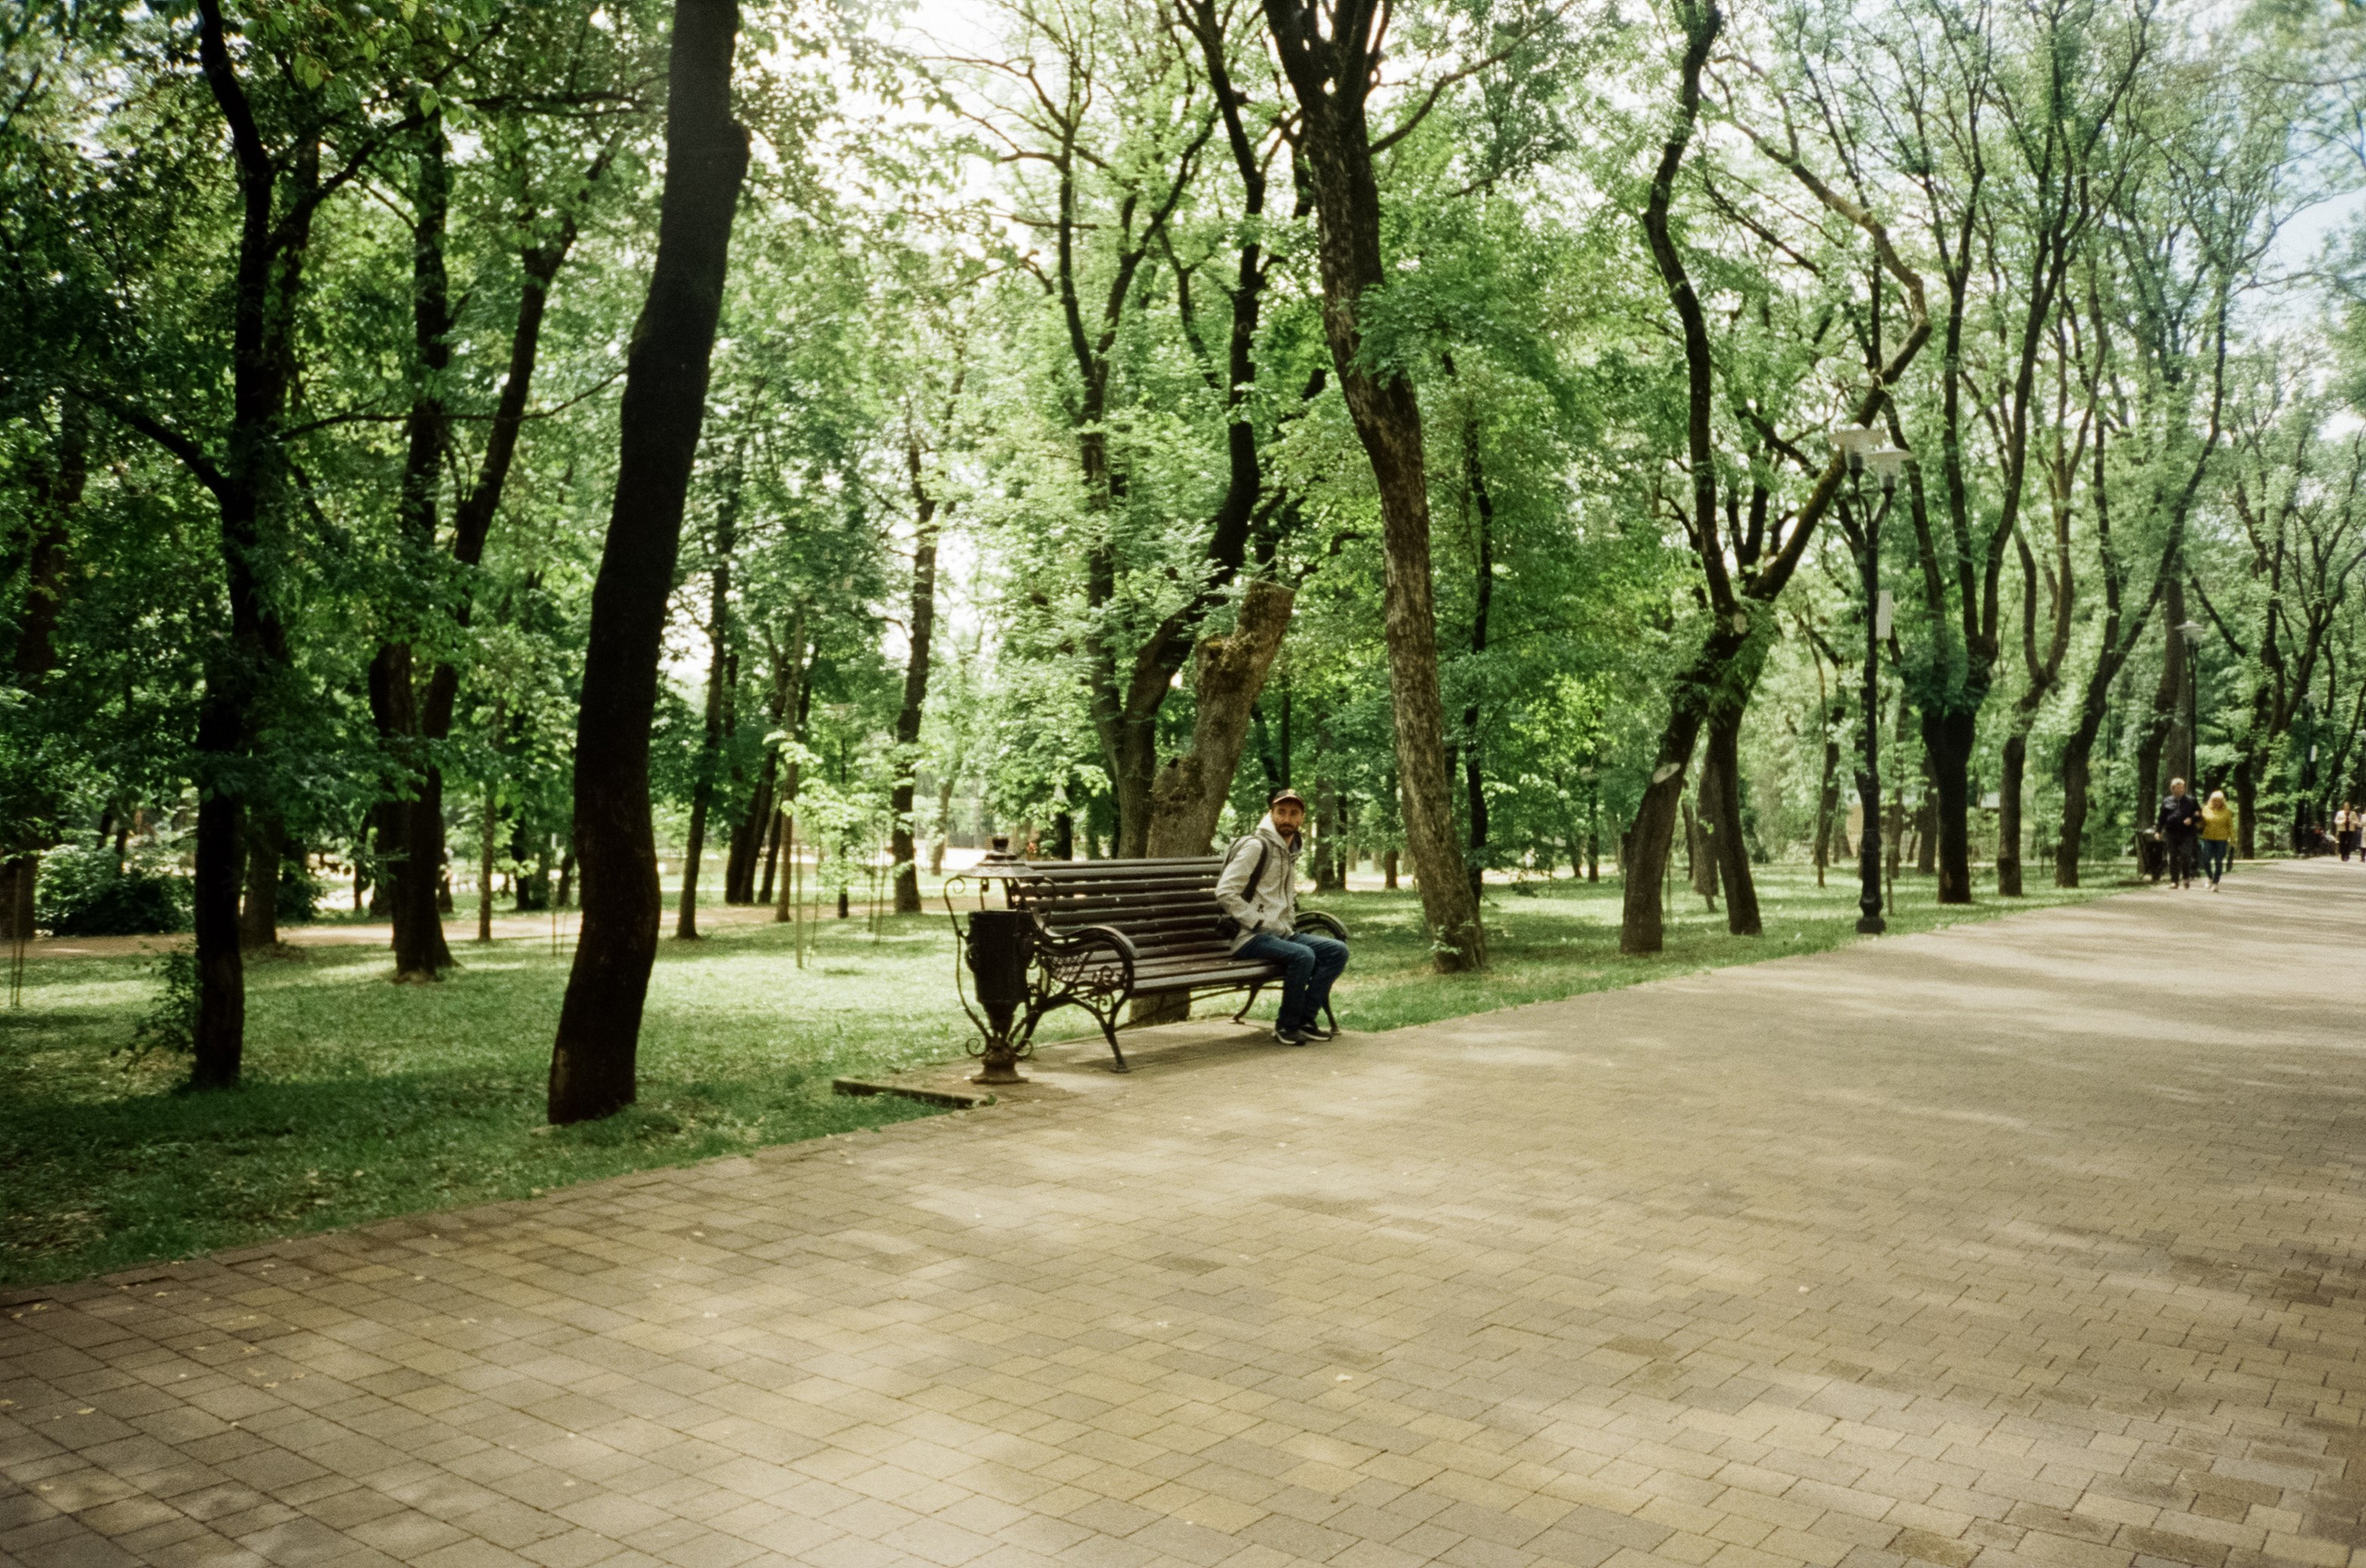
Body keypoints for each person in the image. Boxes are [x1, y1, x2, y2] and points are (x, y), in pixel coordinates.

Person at [1215, 788, 1348, 1047]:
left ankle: (1305, 1020)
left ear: (1302, 819)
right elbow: (1225, 891)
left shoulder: (1290, 849)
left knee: (1337, 951)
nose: (1287, 818)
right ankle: (1286, 1026)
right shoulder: (1257, 846)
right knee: (1303, 955)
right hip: (1249, 937)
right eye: (1281, 812)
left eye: (1294, 813)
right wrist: (1256, 921)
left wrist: (1286, 923)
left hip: (1280, 933)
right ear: (1271, 813)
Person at [2156, 777, 2202, 890]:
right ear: (2172, 789)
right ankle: (2174, 881)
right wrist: (2158, 831)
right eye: (2177, 788)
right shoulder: (2166, 801)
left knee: (2185, 855)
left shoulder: (2192, 800)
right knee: (2172, 856)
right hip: (2171, 833)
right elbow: (2161, 818)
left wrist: (2192, 819)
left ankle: (2186, 877)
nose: (2180, 790)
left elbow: (2199, 814)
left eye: (2182, 788)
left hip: (2187, 833)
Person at [2200, 788, 2234, 890]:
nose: (2216, 803)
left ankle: (2215, 882)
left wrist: (2233, 840)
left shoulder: (2227, 812)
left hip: (2221, 839)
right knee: (2206, 859)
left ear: (2222, 801)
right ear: (2210, 800)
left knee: (2219, 861)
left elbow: (2230, 826)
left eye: (2219, 801)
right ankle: (2210, 877)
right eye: (2214, 800)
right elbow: (2201, 823)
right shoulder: (2205, 809)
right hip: (2207, 837)